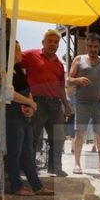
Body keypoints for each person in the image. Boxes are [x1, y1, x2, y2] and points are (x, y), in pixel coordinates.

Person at [0, 40, 53, 196]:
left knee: (27, 152)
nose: (20, 52)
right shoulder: (0, 70)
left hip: (23, 116)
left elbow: (27, 90)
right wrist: (30, 103)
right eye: (17, 49)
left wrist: (31, 106)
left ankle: (37, 185)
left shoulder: (18, 69)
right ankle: (16, 186)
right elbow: (8, 93)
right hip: (11, 115)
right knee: (15, 153)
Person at [20, 29, 72, 177]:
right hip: (37, 103)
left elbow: (61, 86)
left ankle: (55, 168)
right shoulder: (31, 55)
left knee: (58, 137)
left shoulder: (59, 65)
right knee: (33, 137)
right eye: (49, 41)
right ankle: (27, 168)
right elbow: (15, 60)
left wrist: (66, 106)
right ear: (43, 42)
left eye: (56, 42)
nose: (52, 44)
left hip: (55, 105)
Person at [67, 33, 100, 175]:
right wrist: (78, 79)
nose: (93, 49)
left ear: (99, 46)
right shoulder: (79, 59)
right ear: (86, 46)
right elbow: (68, 79)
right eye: (90, 46)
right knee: (80, 133)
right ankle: (77, 164)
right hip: (83, 103)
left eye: (96, 46)